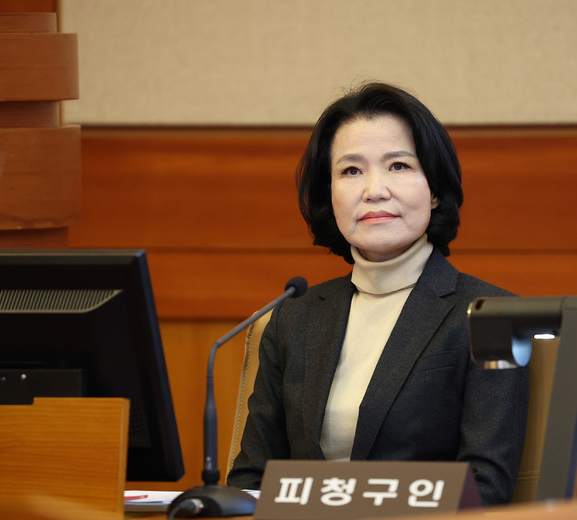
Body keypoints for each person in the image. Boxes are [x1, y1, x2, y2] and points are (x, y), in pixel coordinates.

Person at [226, 82, 529, 505]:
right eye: (351, 171)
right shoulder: (295, 318)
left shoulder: (493, 317)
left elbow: (486, 489)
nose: (374, 190)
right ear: (329, 194)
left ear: (434, 190)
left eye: (398, 166)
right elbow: (251, 480)